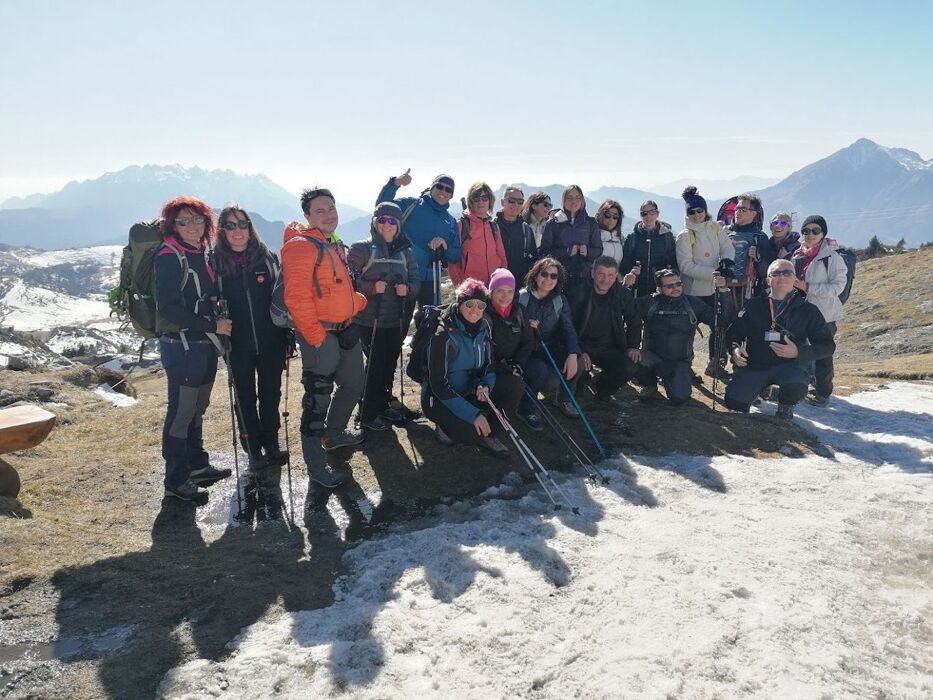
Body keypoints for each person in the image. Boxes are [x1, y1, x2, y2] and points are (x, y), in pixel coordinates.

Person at [281, 187, 369, 489]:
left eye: (331, 208)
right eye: (320, 210)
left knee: (355, 383)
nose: (328, 214)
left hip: (345, 328)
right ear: (307, 216)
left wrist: (356, 303)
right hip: (320, 334)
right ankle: (316, 466)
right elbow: (296, 298)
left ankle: (333, 435)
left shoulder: (332, 243)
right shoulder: (300, 247)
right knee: (317, 398)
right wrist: (316, 337)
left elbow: (331, 289)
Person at [154, 196, 232, 502]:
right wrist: (213, 326)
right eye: (183, 221)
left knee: (198, 407)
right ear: (172, 225)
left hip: (203, 345)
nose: (191, 226)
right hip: (183, 346)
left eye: (197, 219)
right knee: (182, 410)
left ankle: (197, 465)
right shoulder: (169, 256)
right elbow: (169, 309)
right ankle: (175, 478)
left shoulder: (201, 252)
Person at [213, 204, 288, 471]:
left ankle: (271, 443)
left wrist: (286, 333)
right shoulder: (214, 264)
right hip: (237, 344)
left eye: (242, 224)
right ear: (221, 231)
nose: (238, 231)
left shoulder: (266, 258)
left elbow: (281, 300)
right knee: (245, 397)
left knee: (271, 394)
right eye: (230, 225)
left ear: (250, 227)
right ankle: (253, 448)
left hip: (271, 341)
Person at [724, 259, 835, 420]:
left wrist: (798, 352)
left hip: (791, 367)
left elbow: (827, 346)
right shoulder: (753, 305)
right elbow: (734, 333)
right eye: (775, 273)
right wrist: (734, 350)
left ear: (795, 279)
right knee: (734, 401)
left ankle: (786, 406)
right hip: (756, 364)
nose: (781, 277)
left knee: (796, 385)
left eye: (787, 273)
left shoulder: (809, 310)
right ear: (768, 280)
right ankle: (760, 388)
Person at [422, 279, 520, 457]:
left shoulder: (484, 327)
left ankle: (490, 433)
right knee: (470, 435)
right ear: (460, 304)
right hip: (441, 397)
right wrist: (473, 414)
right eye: (469, 304)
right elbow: (438, 384)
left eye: (480, 305)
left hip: (471, 391)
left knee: (514, 384)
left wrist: (486, 385)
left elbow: (489, 365)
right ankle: (446, 426)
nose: (475, 311)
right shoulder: (443, 334)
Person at [347, 202, 420, 431]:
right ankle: (367, 413)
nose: (387, 225)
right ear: (374, 222)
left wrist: (407, 290)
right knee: (376, 364)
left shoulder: (406, 251)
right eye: (382, 220)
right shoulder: (362, 248)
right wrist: (370, 287)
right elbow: (348, 282)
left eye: (392, 221)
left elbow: (416, 281)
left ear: (398, 225)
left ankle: (382, 404)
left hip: (396, 319)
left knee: (389, 363)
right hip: (369, 320)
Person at [628, 269, 719, 405]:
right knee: (630, 360)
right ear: (659, 288)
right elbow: (625, 309)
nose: (675, 288)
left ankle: (675, 380)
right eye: (669, 286)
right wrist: (626, 287)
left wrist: (723, 292)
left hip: (679, 361)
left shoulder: (693, 303)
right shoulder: (649, 302)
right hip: (651, 357)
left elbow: (720, 321)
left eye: (678, 284)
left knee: (680, 398)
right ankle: (649, 385)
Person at [376, 170, 461, 309]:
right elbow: (381, 208)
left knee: (430, 324)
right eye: (439, 187)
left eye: (448, 189)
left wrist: (445, 246)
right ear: (432, 187)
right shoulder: (412, 205)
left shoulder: (450, 221)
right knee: (398, 324)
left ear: (451, 195)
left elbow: (456, 256)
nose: (443, 191)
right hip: (403, 276)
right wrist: (395, 183)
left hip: (432, 281)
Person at [674, 186, 734, 379]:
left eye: (699, 210)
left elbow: (727, 247)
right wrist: (715, 273)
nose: (696, 215)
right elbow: (685, 267)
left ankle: (716, 363)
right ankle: (686, 367)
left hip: (714, 288)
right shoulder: (685, 235)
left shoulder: (715, 228)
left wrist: (726, 261)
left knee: (719, 326)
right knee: (688, 331)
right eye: (691, 212)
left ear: (705, 210)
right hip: (693, 291)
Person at [790, 215, 848, 407]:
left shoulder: (832, 257)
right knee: (799, 351)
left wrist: (808, 287)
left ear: (823, 234)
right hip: (800, 312)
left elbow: (837, 287)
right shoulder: (797, 254)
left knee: (822, 354)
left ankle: (823, 393)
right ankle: (800, 387)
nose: (810, 235)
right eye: (806, 231)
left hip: (824, 315)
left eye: (816, 231)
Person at [517, 256, 581, 419]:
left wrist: (573, 353)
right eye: (544, 274)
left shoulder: (560, 300)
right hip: (525, 350)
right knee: (539, 370)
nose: (548, 279)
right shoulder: (521, 297)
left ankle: (564, 399)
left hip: (548, 347)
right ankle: (526, 408)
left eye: (554, 276)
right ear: (536, 274)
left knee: (578, 361)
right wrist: (526, 326)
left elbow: (568, 329)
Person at [569, 256, 639, 401]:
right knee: (578, 388)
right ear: (593, 273)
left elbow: (633, 321)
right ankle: (579, 386)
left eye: (610, 275)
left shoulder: (623, 294)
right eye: (601, 274)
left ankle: (600, 386)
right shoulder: (578, 292)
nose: (605, 280)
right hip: (583, 345)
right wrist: (578, 350)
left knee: (630, 367)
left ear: (616, 276)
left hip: (609, 346)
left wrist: (633, 346)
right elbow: (568, 326)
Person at [485, 268, 537, 428]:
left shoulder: (518, 311)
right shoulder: (483, 314)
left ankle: (524, 408)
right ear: (491, 291)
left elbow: (527, 342)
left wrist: (518, 364)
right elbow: (484, 349)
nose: (505, 296)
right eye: (499, 290)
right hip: (492, 369)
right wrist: (504, 368)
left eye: (509, 291)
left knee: (539, 371)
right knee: (513, 384)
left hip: (514, 364)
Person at [539, 185, 602, 297]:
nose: (574, 201)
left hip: (584, 278)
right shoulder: (553, 223)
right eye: (569, 198)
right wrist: (566, 252)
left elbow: (598, 249)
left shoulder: (591, 223)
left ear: (582, 200)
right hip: (557, 279)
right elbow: (544, 253)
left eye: (577, 197)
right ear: (563, 200)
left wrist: (587, 251)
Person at [449, 182, 508, 286]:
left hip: (494, 285)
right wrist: (460, 287)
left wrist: (501, 280)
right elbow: (453, 261)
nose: (480, 202)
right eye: (476, 198)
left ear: (490, 200)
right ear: (470, 202)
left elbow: (501, 256)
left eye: (484, 198)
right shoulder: (461, 225)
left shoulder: (493, 226)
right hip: (471, 287)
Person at [724, 193, 773, 307]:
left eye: (743, 209)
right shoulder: (724, 233)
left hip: (749, 293)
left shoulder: (760, 237)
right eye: (737, 209)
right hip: (723, 290)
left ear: (754, 213)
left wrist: (758, 258)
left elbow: (767, 272)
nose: (738, 212)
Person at [620, 200, 678, 298]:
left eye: (652, 212)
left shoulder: (667, 237)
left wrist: (667, 278)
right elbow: (623, 266)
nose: (648, 216)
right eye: (644, 214)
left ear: (657, 214)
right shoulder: (632, 238)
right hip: (637, 292)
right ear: (640, 216)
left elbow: (675, 265)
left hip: (661, 292)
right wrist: (631, 272)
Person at [495, 186, 537, 286]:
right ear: (502, 202)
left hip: (519, 286)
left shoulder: (526, 230)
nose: (515, 204)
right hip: (495, 285)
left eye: (520, 202)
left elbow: (533, 260)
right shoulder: (491, 227)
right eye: (511, 200)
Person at [595, 200, 625, 269]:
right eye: (607, 215)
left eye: (615, 217)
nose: (611, 219)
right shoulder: (593, 235)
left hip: (614, 278)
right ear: (601, 215)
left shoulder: (620, 238)